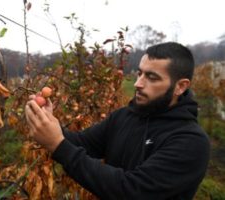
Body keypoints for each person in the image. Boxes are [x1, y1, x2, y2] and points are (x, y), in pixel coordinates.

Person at [25, 42, 210, 200]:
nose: (138, 83)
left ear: (180, 86)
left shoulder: (190, 141)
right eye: (140, 73)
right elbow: (82, 142)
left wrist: (57, 145)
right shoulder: (125, 116)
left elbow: (130, 190)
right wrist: (47, 121)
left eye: (151, 77)